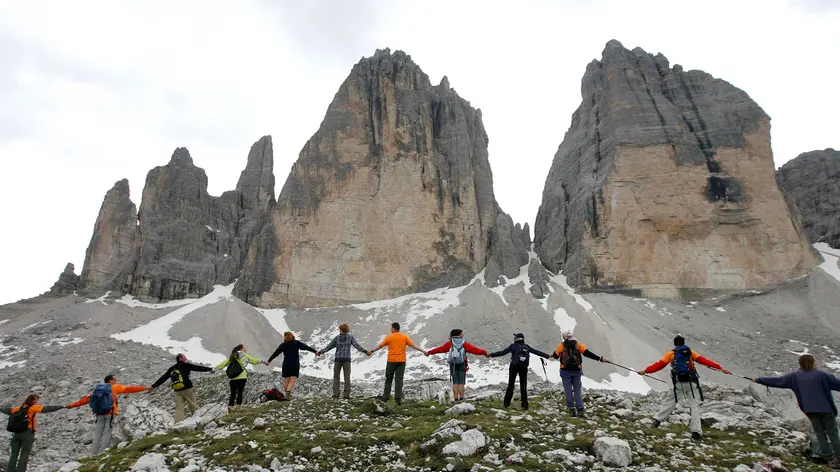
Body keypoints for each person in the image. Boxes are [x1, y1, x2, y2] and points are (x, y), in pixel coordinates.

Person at [637, 335, 730, 440]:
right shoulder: (690, 352)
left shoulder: (671, 354)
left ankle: (657, 421)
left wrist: (645, 371)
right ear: (684, 343)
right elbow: (704, 361)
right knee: (694, 406)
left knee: (670, 401)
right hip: (692, 382)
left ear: (675, 344)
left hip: (678, 383)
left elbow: (659, 365)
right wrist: (720, 368)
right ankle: (696, 432)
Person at [753, 354, 840, 468]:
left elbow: (778, 381)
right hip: (826, 409)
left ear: (799, 363)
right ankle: (838, 459)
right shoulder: (822, 375)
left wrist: (759, 380)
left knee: (820, 434)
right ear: (813, 362)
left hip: (810, 410)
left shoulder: (794, 376)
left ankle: (828, 458)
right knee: (833, 434)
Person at [66, 375, 151, 455]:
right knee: (107, 433)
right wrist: (144, 388)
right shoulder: (115, 387)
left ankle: (93, 454)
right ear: (110, 380)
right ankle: (103, 453)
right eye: (114, 379)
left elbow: (85, 400)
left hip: (99, 414)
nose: (116, 381)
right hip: (110, 413)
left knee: (97, 434)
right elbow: (129, 389)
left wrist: (71, 406)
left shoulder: (98, 390)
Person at [1, 394, 64, 472]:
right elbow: (46, 409)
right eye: (36, 400)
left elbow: (7, 410)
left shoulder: (18, 408)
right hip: (27, 433)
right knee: (24, 454)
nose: (37, 402)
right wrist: (62, 406)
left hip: (16, 434)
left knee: (14, 454)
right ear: (32, 401)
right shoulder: (32, 407)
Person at [552, 330, 607, 418]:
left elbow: (556, 356)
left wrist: (552, 354)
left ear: (564, 337)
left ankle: (571, 409)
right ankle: (580, 409)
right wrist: (599, 359)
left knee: (568, 390)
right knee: (577, 390)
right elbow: (587, 353)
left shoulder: (562, 346)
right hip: (577, 370)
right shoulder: (578, 345)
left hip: (565, 371)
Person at [368, 322, 427, 405]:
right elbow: (413, 345)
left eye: (391, 328)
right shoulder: (404, 337)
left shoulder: (389, 337)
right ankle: (398, 399)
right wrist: (423, 351)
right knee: (399, 380)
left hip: (391, 361)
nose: (390, 329)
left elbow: (380, 346)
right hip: (401, 361)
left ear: (393, 328)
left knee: (389, 379)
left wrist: (372, 351)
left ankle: (385, 397)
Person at [490, 333, 551, 410]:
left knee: (511, 385)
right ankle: (524, 406)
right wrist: (548, 356)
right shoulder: (527, 347)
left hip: (514, 366)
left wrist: (491, 354)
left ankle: (506, 404)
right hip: (524, 367)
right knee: (523, 386)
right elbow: (537, 352)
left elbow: (503, 352)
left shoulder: (513, 346)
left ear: (516, 339)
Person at [426, 329, 489, 403]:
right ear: (459, 335)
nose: (463, 334)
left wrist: (429, 352)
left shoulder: (450, 343)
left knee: (455, 383)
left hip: (453, 364)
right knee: (461, 383)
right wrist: (484, 353)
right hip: (462, 364)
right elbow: (474, 350)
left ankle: (455, 399)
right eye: (462, 333)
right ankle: (461, 399)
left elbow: (440, 349)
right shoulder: (464, 343)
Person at [151, 353, 214, 422]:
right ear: (180, 358)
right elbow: (198, 368)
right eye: (184, 356)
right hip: (187, 389)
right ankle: (199, 421)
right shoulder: (186, 365)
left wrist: (153, 386)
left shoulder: (172, 368)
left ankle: (178, 423)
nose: (186, 357)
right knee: (193, 405)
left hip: (177, 391)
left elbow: (163, 378)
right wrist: (209, 369)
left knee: (179, 408)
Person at [317, 323, 369, 399]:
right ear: (347, 330)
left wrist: (320, 352)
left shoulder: (337, 338)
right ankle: (346, 395)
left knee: (336, 377)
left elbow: (329, 347)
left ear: (340, 329)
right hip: (347, 359)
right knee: (347, 377)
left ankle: (336, 394)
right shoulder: (350, 337)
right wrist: (365, 351)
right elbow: (357, 346)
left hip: (338, 359)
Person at [267, 332, 318, 400]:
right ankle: (288, 395)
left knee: (286, 380)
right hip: (294, 363)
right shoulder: (296, 343)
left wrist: (269, 360)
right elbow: (306, 347)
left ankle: (286, 395)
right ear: (292, 336)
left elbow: (276, 353)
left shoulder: (283, 345)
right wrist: (315, 351)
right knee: (292, 380)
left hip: (286, 364)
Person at [216, 344, 266, 411]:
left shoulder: (232, 356)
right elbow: (253, 360)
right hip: (242, 377)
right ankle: (238, 407)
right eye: (244, 347)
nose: (245, 349)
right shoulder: (244, 355)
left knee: (233, 393)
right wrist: (262, 361)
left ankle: (230, 407)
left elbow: (224, 363)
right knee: (240, 392)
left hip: (233, 378)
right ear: (241, 349)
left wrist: (215, 369)